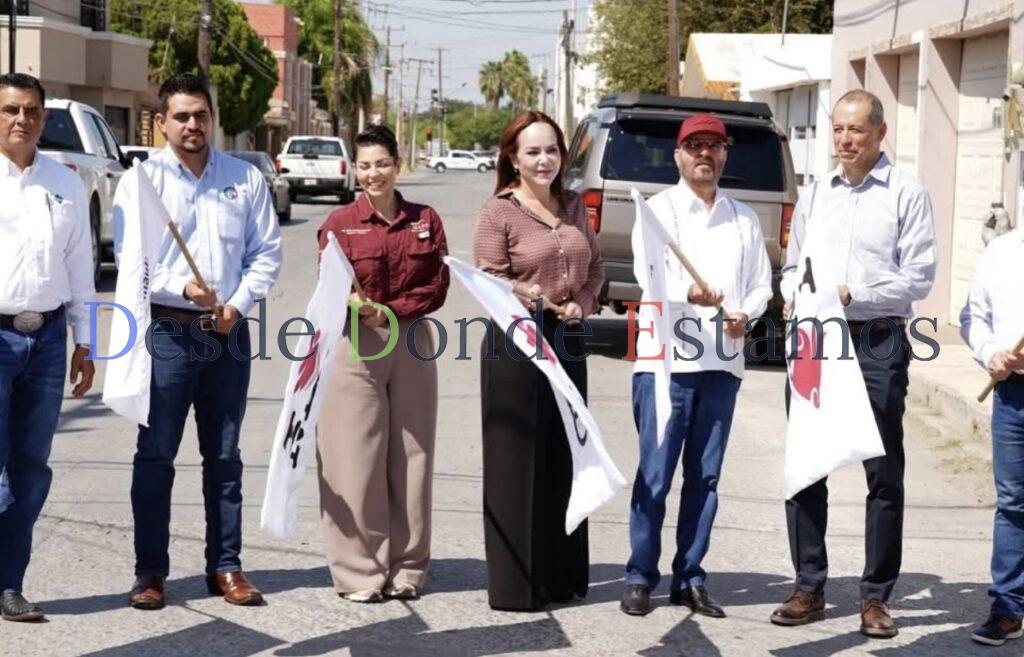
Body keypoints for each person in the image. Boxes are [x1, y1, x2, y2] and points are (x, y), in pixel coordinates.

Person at [114, 74, 281, 610]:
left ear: (213, 118)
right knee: (156, 454)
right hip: (168, 334)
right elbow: (131, 261)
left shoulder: (243, 178)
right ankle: (150, 573)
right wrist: (182, 287)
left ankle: (226, 566)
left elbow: (266, 253)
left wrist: (239, 302)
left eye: (201, 115)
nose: (193, 125)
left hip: (228, 334)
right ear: (161, 122)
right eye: (182, 116)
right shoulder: (141, 183)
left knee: (225, 455)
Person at [774, 89, 936, 637]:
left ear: (880, 133)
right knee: (807, 464)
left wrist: (854, 294)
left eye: (856, 130)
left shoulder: (906, 193)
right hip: (815, 342)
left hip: (876, 341)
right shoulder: (817, 194)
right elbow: (793, 267)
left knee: (883, 473)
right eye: (838, 129)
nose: (844, 140)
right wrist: (794, 296)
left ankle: (875, 597)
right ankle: (809, 586)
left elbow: (918, 277)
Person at [619, 114, 772, 617]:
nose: (705, 153)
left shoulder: (744, 218)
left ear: (725, 154)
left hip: (722, 365)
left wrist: (747, 314)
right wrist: (689, 292)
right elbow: (649, 274)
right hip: (664, 364)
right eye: (695, 145)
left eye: (715, 145)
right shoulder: (656, 212)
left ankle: (689, 577)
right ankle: (640, 575)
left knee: (705, 478)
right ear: (678, 155)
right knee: (655, 476)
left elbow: (761, 284)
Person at [473, 110, 604, 611]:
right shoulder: (498, 212)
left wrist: (582, 304)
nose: (544, 160)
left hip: (567, 339)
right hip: (516, 341)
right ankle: (518, 586)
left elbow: (594, 268)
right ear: (513, 158)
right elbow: (487, 277)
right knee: (517, 463)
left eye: (552, 150)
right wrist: (527, 295)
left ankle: (560, 577)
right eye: (533, 152)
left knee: (565, 455)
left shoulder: (573, 205)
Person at [315, 125, 449, 603]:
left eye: (382, 164)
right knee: (353, 458)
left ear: (397, 164)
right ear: (355, 169)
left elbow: (437, 284)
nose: (374, 174)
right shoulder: (338, 224)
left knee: (412, 456)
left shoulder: (425, 219)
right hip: (356, 343)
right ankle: (360, 573)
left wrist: (389, 311)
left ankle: (408, 568)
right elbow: (330, 284)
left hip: (411, 340)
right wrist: (355, 305)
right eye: (365, 165)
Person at [0, 72, 95, 622]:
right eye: (10, 109)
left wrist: (87, 342)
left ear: (43, 117)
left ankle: (10, 584)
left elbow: (80, 266)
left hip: (48, 340)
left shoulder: (65, 182)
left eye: (31, 110)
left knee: (31, 468)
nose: (22, 119)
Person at [961, 230, 1024, 647]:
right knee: (1013, 503)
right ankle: (1007, 608)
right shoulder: (1000, 251)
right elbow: (973, 317)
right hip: (1012, 395)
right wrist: (991, 353)